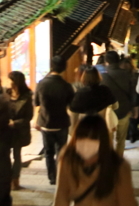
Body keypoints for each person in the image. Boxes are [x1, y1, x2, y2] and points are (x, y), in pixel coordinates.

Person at [44, 115, 139, 206]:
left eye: (93, 139)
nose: (86, 144)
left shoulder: (118, 166)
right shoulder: (68, 159)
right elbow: (61, 199)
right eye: (82, 138)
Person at [35, 55, 75, 185]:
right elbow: (72, 104)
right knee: (61, 151)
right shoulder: (66, 86)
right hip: (62, 122)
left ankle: (52, 177)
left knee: (48, 151)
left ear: (51, 66)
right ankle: (60, 175)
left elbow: (36, 103)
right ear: (64, 68)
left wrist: (37, 119)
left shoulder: (41, 84)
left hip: (46, 122)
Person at [101, 51, 137, 155]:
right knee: (121, 140)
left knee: (108, 140)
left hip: (108, 112)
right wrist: (134, 108)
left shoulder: (102, 77)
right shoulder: (127, 74)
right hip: (124, 110)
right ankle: (118, 161)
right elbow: (132, 93)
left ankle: (109, 163)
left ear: (106, 62)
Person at [6, 70, 33, 191]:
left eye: (11, 80)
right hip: (5, 130)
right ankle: (6, 179)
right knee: (5, 155)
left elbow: (29, 117)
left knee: (17, 155)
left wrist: (15, 123)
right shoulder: (6, 94)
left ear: (16, 82)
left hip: (18, 131)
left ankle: (15, 181)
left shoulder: (27, 96)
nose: (9, 83)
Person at [69, 68, 117, 133]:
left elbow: (73, 111)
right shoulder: (105, 90)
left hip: (84, 127)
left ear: (83, 78)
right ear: (98, 77)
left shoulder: (79, 93)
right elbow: (116, 106)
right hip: (102, 126)